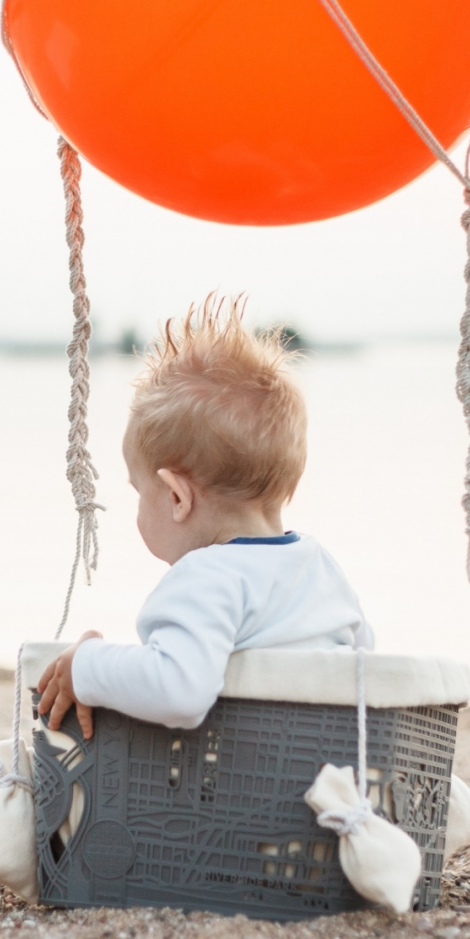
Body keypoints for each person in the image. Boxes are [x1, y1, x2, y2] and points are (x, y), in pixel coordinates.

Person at [37, 296, 370, 738]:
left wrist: (87, 664)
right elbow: (368, 668)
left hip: (244, 780)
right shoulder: (320, 565)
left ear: (177, 497)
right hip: (325, 767)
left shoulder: (206, 576)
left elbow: (178, 691)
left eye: (139, 492)